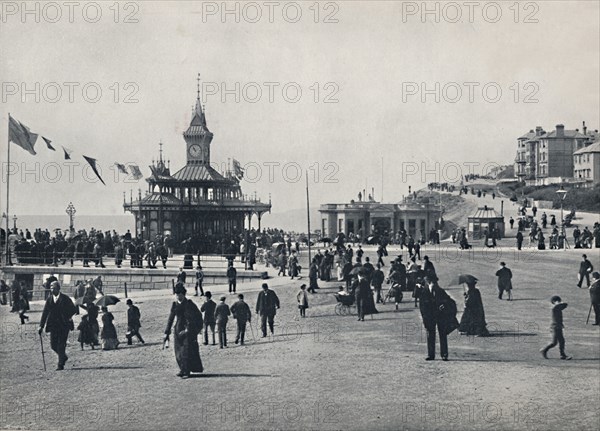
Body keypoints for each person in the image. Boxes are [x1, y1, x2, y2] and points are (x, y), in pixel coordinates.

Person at [164, 284, 204, 378]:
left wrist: (189, 330)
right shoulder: (175, 304)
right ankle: (182, 369)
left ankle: (186, 371)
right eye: (177, 295)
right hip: (177, 330)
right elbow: (171, 318)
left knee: (186, 351)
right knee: (178, 352)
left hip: (188, 331)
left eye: (180, 294)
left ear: (184, 294)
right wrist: (167, 332)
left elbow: (196, 317)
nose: (178, 296)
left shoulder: (189, 304)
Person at [416, 276, 458, 361]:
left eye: (434, 283)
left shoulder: (441, 291)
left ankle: (444, 354)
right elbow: (422, 307)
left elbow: (449, 301)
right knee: (430, 336)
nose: (434, 284)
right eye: (432, 282)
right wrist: (424, 318)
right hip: (429, 317)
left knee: (442, 335)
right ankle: (431, 355)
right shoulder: (424, 293)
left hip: (440, 316)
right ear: (428, 283)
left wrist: (444, 305)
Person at [38, 281, 78, 370]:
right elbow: (45, 313)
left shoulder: (65, 298)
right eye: (51, 287)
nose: (52, 289)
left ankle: (60, 364)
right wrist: (41, 326)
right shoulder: (49, 299)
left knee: (61, 345)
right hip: (53, 326)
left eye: (54, 287)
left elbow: (74, 310)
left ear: (58, 288)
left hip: (64, 325)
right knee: (53, 345)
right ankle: (63, 356)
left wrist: (67, 316)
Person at [540, 296, 572, 360]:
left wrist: (559, 302)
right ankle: (544, 350)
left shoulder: (558, 308)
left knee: (562, 341)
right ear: (554, 302)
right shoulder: (554, 308)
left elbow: (565, 304)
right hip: (555, 327)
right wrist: (557, 303)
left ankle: (562, 355)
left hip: (558, 327)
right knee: (554, 343)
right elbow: (559, 305)